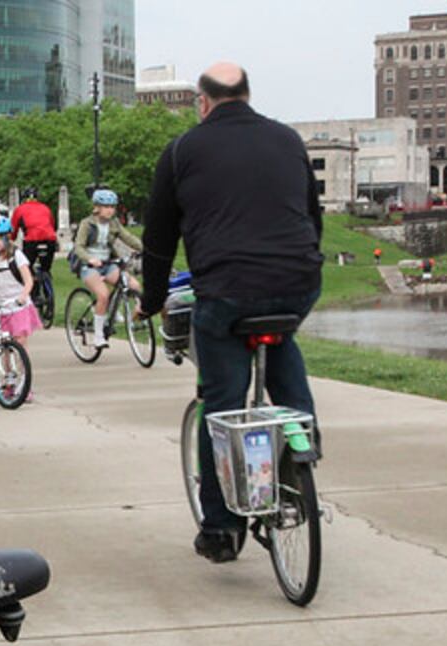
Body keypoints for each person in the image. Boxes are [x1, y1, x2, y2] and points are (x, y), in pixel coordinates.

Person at [137, 61, 324, 564]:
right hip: (298, 281)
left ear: (203, 101)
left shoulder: (181, 151)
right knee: (282, 339)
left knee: (220, 397)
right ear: (247, 95)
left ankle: (221, 528)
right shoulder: (287, 140)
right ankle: (302, 441)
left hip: (226, 290)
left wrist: (152, 299)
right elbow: (312, 214)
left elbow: (159, 238)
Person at [71, 188, 143, 350]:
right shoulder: (87, 224)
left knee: (134, 285)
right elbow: (79, 247)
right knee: (102, 294)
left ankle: (135, 319)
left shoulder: (114, 223)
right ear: (97, 207)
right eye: (106, 206)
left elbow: (128, 238)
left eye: (112, 206)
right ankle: (98, 336)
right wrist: (90, 259)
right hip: (89, 266)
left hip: (108, 263)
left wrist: (145, 248)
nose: (110, 210)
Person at [0, 214, 41, 345]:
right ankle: (6, 366)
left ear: (7, 237)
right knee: (3, 341)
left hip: (18, 304)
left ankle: (20, 365)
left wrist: (23, 296)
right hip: (1, 305)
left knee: (19, 339)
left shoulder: (16, 255)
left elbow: (28, 280)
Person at [11, 186, 58, 277]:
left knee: (26, 268)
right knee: (46, 268)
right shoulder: (45, 208)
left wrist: (11, 239)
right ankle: (47, 285)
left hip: (31, 240)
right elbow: (52, 225)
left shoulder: (20, 209)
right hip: (50, 240)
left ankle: (31, 287)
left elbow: (13, 230)